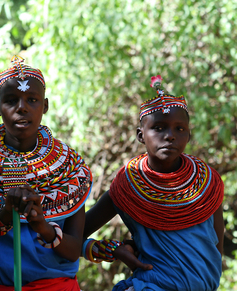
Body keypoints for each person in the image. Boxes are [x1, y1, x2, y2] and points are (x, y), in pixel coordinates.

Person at [0, 56, 93, 290]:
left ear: (44, 106)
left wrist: (43, 226)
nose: (22, 107)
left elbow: (74, 250)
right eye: (11, 100)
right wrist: (4, 216)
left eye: (32, 100)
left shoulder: (69, 169)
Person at [81, 75, 224, 291]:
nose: (170, 136)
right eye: (158, 128)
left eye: (180, 129)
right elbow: (75, 233)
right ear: (140, 135)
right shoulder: (128, 186)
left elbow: (215, 251)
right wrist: (113, 250)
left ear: (188, 135)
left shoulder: (207, 183)